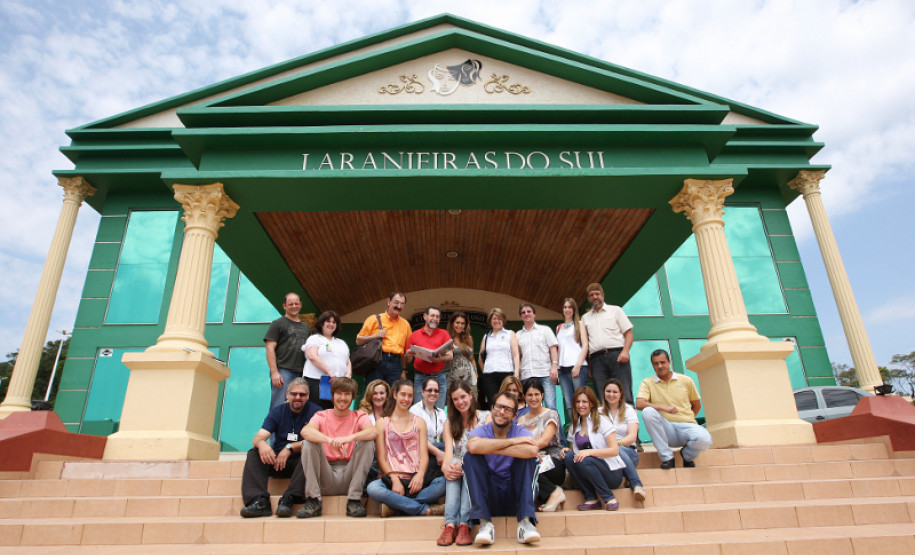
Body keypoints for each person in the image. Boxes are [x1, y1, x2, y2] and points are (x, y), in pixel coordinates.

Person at [464, 390, 541, 545]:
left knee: (528, 459)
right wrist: (512, 442)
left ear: (514, 415)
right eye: (498, 407)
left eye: (507, 409)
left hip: (515, 495)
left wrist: (490, 447)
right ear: (492, 408)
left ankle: (525, 523)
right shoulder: (481, 430)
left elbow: (532, 450)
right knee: (470, 458)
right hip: (490, 495)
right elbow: (472, 446)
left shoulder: (520, 431)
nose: (501, 412)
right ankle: (485, 524)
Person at [240, 378, 321, 518]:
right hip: (277, 461)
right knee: (253, 453)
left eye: (302, 394)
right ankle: (259, 501)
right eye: (294, 394)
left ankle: (288, 499)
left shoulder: (316, 412)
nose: (298, 397)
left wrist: (290, 447)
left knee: (312, 451)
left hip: (300, 465)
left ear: (308, 396)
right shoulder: (277, 411)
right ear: (287, 394)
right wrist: (262, 444)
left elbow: (317, 440)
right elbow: (258, 438)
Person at [297, 377, 377, 518]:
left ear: (353, 397)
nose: (342, 398)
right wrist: (329, 441)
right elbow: (306, 431)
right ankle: (313, 500)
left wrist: (348, 438)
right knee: (308, 443)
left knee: (367, 442)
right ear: (332, 396)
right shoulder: (321, 415)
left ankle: (354, 500)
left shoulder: (359, 416)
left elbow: (373, 432)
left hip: (350, 476)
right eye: (339, 393)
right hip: (326, 475)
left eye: (347, 394)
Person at [366, 380, 446, 517]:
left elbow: (424, 455)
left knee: (444, 483)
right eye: (403, 394)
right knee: (373, 488)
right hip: (393, 478)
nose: (406, 399)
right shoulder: (382, 423)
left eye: (410, 396)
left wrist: (420, 475)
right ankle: (424, 509)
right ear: (395, 395)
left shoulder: (419, 422)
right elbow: (381, 457)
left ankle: (395, 506)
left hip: (416, 479)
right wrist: (394, 479)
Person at [636, 350, 712, 469]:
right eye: (656, 363)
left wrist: (687, 418)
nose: (660, 366)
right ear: (653, 365)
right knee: (647, 412)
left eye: (663, 362)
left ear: (669, 362)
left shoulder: (686, 380)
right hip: (666, 429)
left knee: (705, 439)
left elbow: (697, 405)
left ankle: (687, 456)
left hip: (686, 427)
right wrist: (663, 408)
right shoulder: (648, 382)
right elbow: (639, 404)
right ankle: (667, 458)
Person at [437, 379, 490, 546]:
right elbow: (449, 452)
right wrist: (446, 468)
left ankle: (464, 524)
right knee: (453, 462)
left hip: (480, 464)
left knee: (469, 463)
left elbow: (485, 449)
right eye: (455, 399)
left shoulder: (486, 417)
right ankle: (450, 526)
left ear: (471, 395)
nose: (460, 402)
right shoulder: (450, 423)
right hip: (458, 467)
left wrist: (464, 464)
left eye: (463, 397)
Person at [562, 386, 626, 511]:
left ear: (591, 403)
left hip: (611, 472)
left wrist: (589, 452)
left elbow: (614, 450)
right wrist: (567, 451)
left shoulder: (602, 420)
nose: (581, 405)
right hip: (588, 470)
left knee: (584, 459)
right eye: (578, 402)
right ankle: (591, 498)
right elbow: (575, 453)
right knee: (569, 457)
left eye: (584, 402)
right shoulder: (574, 426)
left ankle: (609, 498)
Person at [580, 283, 634, 405]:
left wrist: (625, 351)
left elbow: (629, 334)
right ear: (588, 298)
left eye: (597, 294)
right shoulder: (585, 318)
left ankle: (628, 416)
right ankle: (607, 417)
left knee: (624, 391)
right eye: (591, 295)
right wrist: (589, 366)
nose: (595, 297)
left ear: (602, 295)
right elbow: (585, 344)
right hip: (596, 360)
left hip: (617, 355)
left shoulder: (615, 310)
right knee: (602, 394)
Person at [517, 379, 566, 512]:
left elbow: (544, 441)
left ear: (542, 395)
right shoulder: (521, 420)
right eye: (530, 395)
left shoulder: (551, 414)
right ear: (524, 396)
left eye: (536, 394)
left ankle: (554, 493)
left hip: (552, 462)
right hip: (531, 460)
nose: (533, 398)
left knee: (527, 465)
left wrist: (526, 451)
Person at [600, 378, 647, 504]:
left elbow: (632, 437)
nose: (611, 394)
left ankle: (637, 485)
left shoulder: (629, 410)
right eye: (608, 391)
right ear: (603, 393)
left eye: (615, 392)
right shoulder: (598, 413)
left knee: (618, 450)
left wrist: (615, 444)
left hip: (628, 452)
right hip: (607, 454)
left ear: (620, 394)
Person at [264, 293, 312, 409]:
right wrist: (274, 372)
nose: (294, 306)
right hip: (283, 371)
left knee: (297, 407)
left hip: (301, 373)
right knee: (279, 405)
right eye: (290, 304)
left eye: (296, 303)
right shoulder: (278, 323)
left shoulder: (306, 328)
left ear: (300, 305)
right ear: (284, 306)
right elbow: (269, 348)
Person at [356, 292, 411, 386]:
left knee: (394, 393)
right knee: (374, 391)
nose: (399, 306)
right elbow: (358, 341)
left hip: (396, 364)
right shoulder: (374, 319)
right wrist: (375, 336)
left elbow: (404, 352)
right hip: (377, 360)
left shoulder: (405, 324)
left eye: (402, 304)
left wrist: (404, 370)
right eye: (396, 302)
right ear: (389, 302)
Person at [301, 310, 351, 410]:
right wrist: (329, 371)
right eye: (328, 321)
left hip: (338, 383)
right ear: (321, 323)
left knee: (335, 411)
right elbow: (312, 356)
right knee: (318, 411)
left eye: (334, 322)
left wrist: (348, 375)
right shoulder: (315, 338)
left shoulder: (341, 342)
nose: (331, 324)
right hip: (317, 381)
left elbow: (348, 361)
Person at [516, 303, 560, 411]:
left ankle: (553, 423)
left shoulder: (545, 330)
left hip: (545, 374)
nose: (526, 314)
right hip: (526, 375)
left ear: (534, 314)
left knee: (550, 405)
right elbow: (517, 356)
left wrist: (554, 366)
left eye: (529, 311)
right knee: (530, 408)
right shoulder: (517, 335)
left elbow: (553, 349)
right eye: (523, 312)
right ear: (521, 316)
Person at [407, 305, 453, 408]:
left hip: (439, 377)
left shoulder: (444, 334)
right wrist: (408, 355)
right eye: (432, 315)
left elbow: (450, 355)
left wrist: (439, 359)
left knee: (439, 410)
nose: (435, 319)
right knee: (419, 409)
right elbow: (408, 360)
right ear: (425, 316)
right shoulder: (414, 335)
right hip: (420, 378)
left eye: (437, 317)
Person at [478, 308, 519, 410]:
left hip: (506, 373)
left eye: (499, 318)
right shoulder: (486, 337)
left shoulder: (510, 334)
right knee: (493, 403)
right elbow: (480, 358)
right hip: (489, 376)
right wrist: (485, 372)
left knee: (508, 402)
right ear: (490, 321)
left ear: (503, 320)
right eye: (494, 318)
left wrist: (516, 373)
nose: (497, 321)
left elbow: (516, 355)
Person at [557, 297, 589, 425]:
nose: (567, 309)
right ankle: (575, 428)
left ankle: (585, 427)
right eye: (565, 307)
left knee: (580, 400)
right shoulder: (559, 327)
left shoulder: (579, 324)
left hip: (578, 367)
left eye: (570, 307)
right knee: (569, 402)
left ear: (574, 309)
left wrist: (578, 365)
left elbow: (585, 345)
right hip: (563, 369)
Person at [410, 376, 447, 472]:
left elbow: (446, 436)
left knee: (451, 451)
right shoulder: (414, 410)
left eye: (436, 391)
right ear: (422, 392)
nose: (433, 393)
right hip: (420, 451)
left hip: (437, 448)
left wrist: (448, 453)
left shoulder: (441, 412)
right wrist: (438, 453)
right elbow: (417, 438)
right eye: (429, 390)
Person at [444, 311, 477, 398]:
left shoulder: (469, 339)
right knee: (453, 402)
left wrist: (475, 371)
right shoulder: (446, 339)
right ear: (452, 324)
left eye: (463, 323)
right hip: (452, 377)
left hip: (469, 377)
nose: (460, 325)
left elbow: (472, 358)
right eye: (457, 322)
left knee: (470, 401)